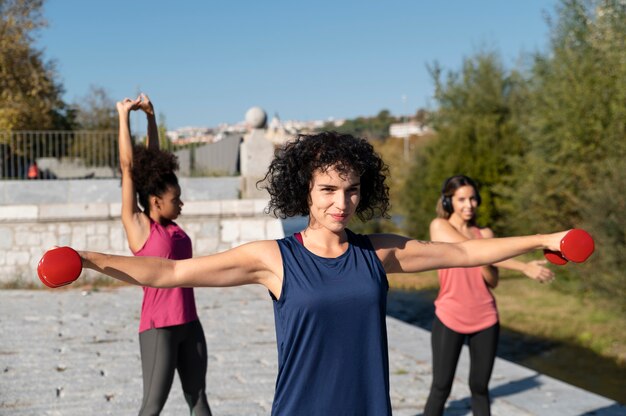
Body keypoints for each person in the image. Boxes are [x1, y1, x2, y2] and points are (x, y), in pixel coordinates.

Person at [77, 131, 569, 415]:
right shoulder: (274, 258)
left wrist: (544, 240)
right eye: (329, 189)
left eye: (352, 190)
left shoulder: (378, 254)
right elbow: (168, 272)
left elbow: (466, 255)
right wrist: (86, 260)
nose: (342, 202)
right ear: (306, 191)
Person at [424, 175, 554, 416]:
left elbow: (493, 281)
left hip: (485, 318)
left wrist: (485, 260)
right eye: (461, 199)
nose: (469, 204)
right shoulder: (440, 226)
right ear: (448, 200)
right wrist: (523, 266)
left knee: (480, 388)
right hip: (449, 315)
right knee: (441, 387)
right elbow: (467, 250)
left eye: (473, 198)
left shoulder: (485, 234)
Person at [116, 94, 212, 416]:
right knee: (152, 407)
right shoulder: (139, 226)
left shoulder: (174, 228)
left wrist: (152, 117)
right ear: (156, 201)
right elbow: (129, 169)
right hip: (160, 329)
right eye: (176, 199)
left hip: (190, 323)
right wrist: (124, 116)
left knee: (198, 400)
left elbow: (153, 163)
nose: (181, 203)